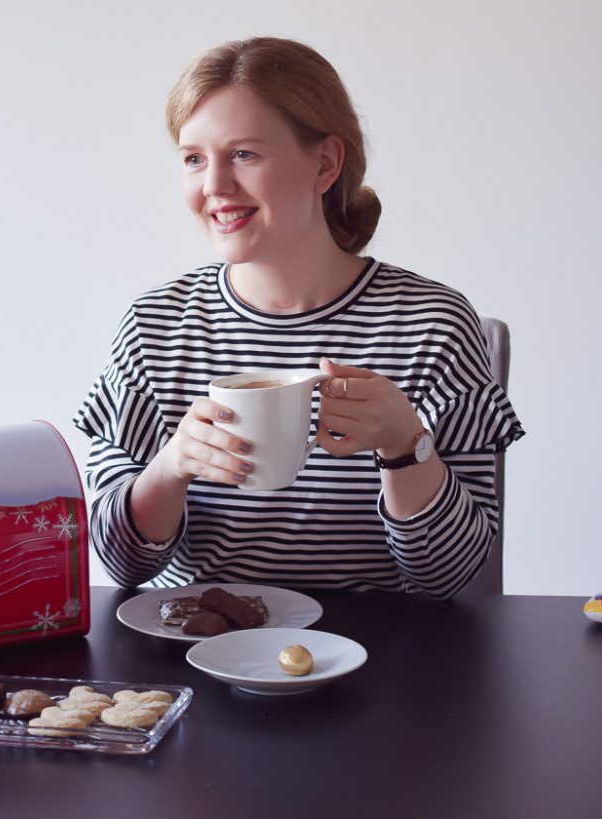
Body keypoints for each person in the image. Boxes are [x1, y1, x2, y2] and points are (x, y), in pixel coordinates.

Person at [73, 37, 523, 598]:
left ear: (324, 163)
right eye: (193, 159)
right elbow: (121, 566)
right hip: (196, 655)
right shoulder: (153, 327)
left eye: (244, 154)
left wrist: (405, 446)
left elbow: (450, 577)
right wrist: (170, 467)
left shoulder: (434, 325)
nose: (214, 186)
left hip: (376, 661)